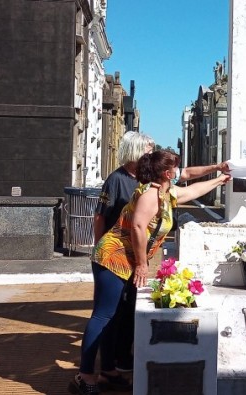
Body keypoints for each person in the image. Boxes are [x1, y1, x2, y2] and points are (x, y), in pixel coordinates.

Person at [71, 149, 231, 395]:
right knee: (103, 315)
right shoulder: (149, 195)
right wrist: (143, 265)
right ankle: (85, 376)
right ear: (167, 173)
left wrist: (219, 180)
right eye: (176, 168)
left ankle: (108, 371)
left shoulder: (166, 193)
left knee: (114, 316)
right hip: (113, 257)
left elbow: (192, 191)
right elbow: (136, 226)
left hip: (128, 259)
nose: (179, 172)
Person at [93, 131, 229, 372]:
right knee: (109, 314)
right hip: (116, 255)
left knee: (127, 311)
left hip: (136, 256)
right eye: (148, 150)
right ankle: (98, 369)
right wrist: (101, 249)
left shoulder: (159, 186)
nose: (151, 154)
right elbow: (118, 220)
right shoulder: (123, 182)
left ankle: (121, 362)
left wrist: (218, 175)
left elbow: (187, 183)